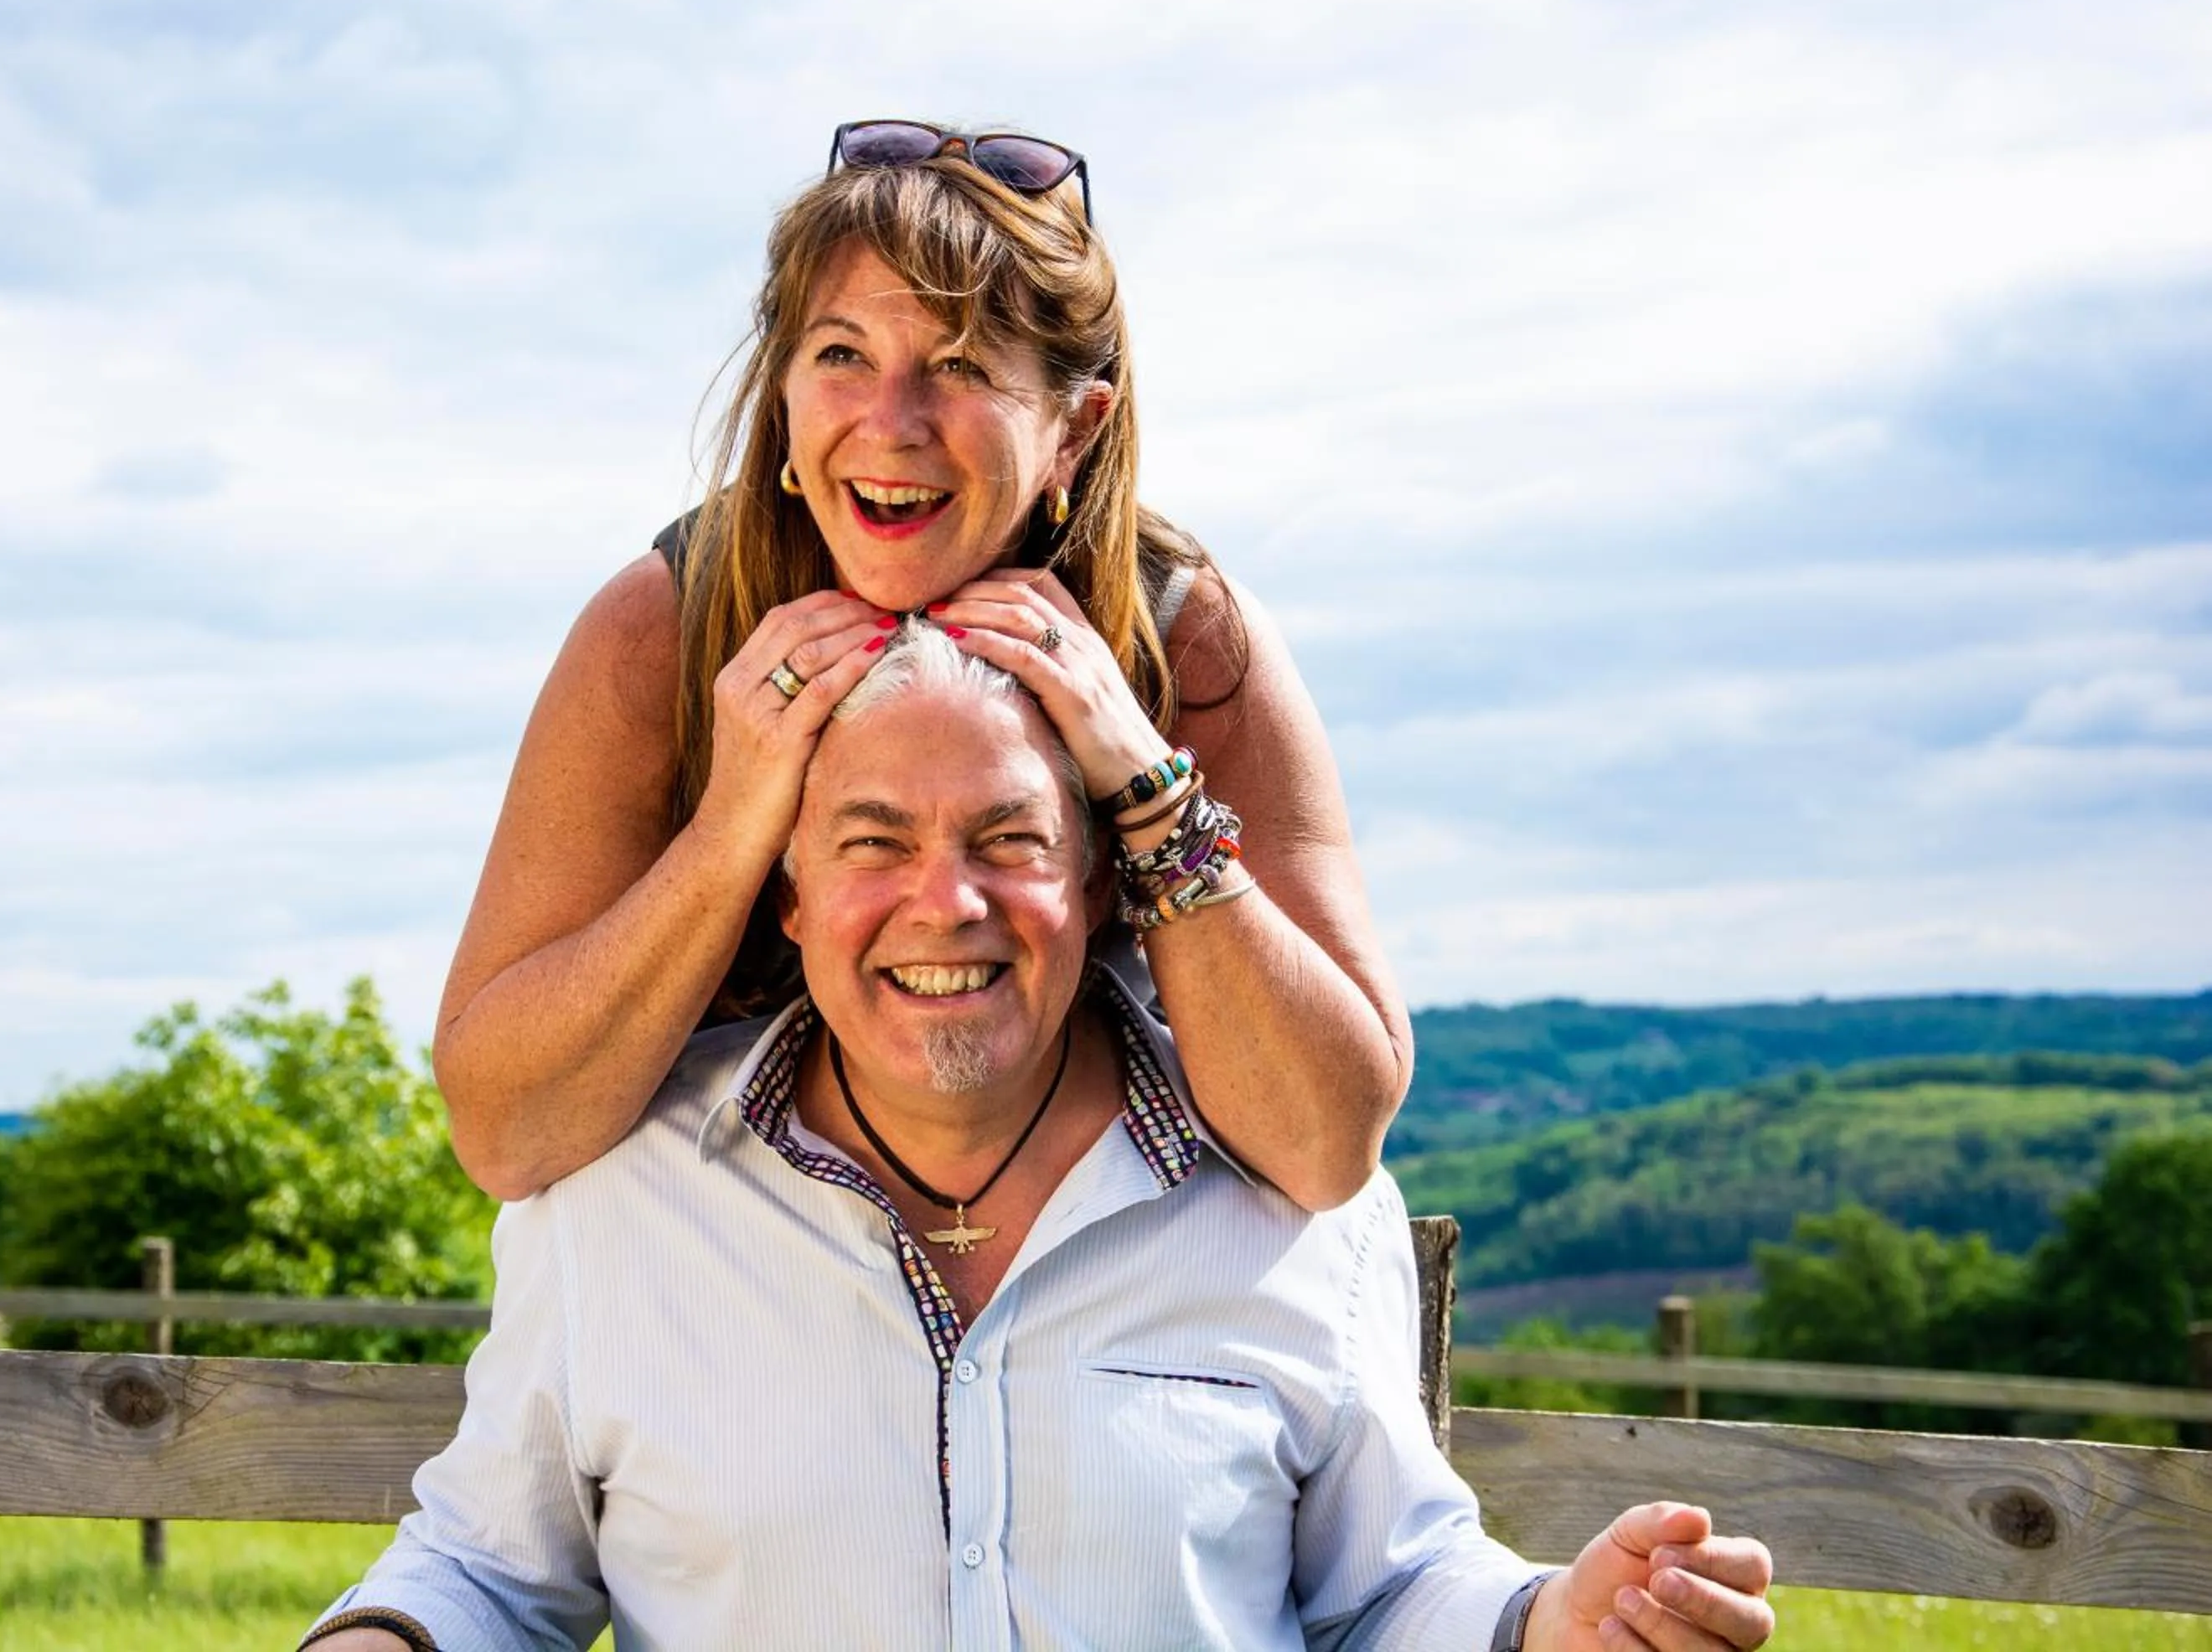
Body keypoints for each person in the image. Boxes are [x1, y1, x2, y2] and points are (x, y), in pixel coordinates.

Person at [304, 627, 1776, 1651]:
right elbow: (492, 1570)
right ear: (792, 897)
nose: (946, 903)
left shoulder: (1294, 1202)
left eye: (1009, 841)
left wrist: (1543, 1627)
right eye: (874, 843)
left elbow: (1387, 1592)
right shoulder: (616, 1199)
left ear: (1100, 888)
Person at [436, 121, 1409, 1210]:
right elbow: (506, 1134)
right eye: (841, 355)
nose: (890, 426)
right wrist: (730, 834)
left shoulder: (1180, 633)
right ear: (785, 393)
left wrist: (1145, 791)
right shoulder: (662, 628)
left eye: (958, 367)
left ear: (1073, 433)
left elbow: (1327, 1144)